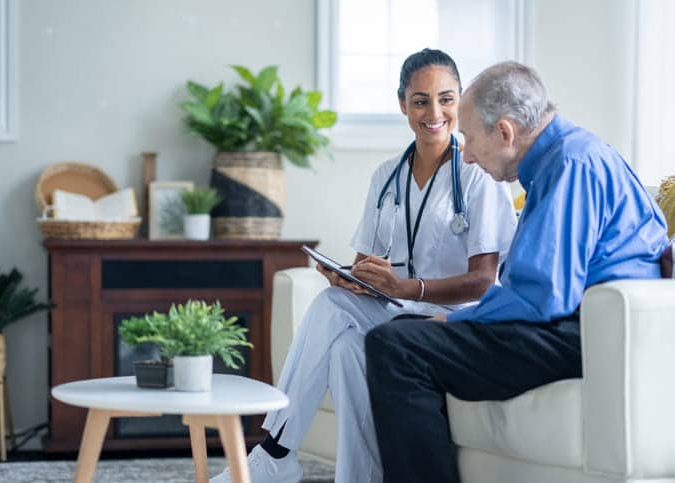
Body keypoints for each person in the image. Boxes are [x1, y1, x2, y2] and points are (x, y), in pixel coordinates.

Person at [210, 49, 517, 483]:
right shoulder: (386, 176)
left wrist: (408, 288)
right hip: (397, 310)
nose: (435, 113)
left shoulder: (476, 173)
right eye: (420, 100)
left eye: (446, 99)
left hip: (451, 319)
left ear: (461, 101)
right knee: (338, 323)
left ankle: (275, 454)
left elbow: (485, 282)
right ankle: (351, 475)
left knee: (342, 331)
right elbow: (367, 265)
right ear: (402, 104)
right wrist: (348, 278)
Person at [364, 61, 670, 483]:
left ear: (505, 132)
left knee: (396, 346)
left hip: (583, 332)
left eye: (470, 138)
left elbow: (541, 295)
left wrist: (455, 318)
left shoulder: (571, 165)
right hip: (575, 323)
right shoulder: (569, 155)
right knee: (405, 334)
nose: (466, 153)